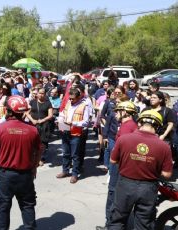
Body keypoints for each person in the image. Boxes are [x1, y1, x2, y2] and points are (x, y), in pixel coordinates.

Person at [108, 110, 173, 229]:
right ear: (158, 126)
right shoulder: (164, 146)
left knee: (118, 219)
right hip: (148, 188)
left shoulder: (124, 139)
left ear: (139, 123)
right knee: (144, 223)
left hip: (125, 184)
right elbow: (167, 174)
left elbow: (113, 160)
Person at [0, 95, 41, 230]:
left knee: (2, 207)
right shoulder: (33, 130)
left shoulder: (0, 129)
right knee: (27, 205)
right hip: (26, 175)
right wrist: (34, 166)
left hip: (5, 175)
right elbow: (39, 150)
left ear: (7, 110)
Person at [96, 101, 138, 230]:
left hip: (120, 166)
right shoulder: (130, 125)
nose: (115, 114)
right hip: (123, 165)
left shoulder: (126, 127)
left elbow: (123, 150)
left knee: (113, 194)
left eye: (117, 111)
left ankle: (110, 225)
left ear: (124, 112)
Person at [57, 88, 90, 183]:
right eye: (70, 98)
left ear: (78, 97)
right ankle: (65, 171)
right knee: (65, 153)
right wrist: (60, 119)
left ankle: (75, 174)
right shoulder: (68, 103)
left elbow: (86, 122)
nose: (71, 100)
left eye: (73, 99)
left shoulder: (84, 106)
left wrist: (73, 123)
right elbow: (63, 114)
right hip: (65, 132)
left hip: (76, 133)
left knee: (75, 155)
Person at [25, 87, 53, 165]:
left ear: (45, 94)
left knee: (43, 142)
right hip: (33, 124)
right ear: (37, 94)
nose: (41, 95)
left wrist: (42, 120)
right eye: (39, 93)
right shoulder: (32, 102)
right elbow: (27, 112)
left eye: (42, 93)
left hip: (44, 125)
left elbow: (50, 115)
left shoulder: (48, 103)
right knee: (33, 141)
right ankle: (34, 157)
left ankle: (42, 157)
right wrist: (32, 120)